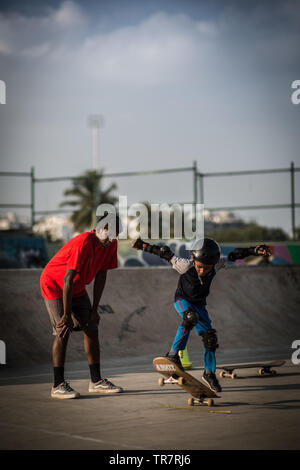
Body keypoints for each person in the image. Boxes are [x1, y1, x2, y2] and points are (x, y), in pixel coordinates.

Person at [132, 237, 270, 393]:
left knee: (210, 338)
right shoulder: (185, 265)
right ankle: (173, 355)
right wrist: (143, 246)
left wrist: (253, 250)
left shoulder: (216, 265)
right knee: (190, 318)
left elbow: (234, 255)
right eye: (199, 267)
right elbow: (164, 253)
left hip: (199, 305)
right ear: (193, 259)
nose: (203, 271)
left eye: (207, 268)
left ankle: (209, 373)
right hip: (182, 301)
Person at [40, 213, 124, 399]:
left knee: (92, 327)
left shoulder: (111, 244)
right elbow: (67, 279)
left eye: (116, 235)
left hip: (77, 287)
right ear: (101, 229)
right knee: (63, 330)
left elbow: (102, 275)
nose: (112, 240)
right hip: (54, 284)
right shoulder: (83, 242)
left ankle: (96, 381)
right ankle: (58, 385)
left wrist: (94, 310)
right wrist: (67, 314)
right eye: (111, 234)